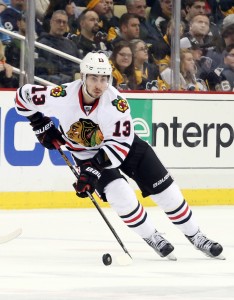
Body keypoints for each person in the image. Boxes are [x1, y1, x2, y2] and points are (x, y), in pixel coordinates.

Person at [15, 51, 224, 260]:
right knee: (120, 196)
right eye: (94, 78)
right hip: (85, 153)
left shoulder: (116, 104)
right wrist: (39, 123)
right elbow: (22, 96)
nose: (99, 85)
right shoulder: (61, 95)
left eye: (104, 79)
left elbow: (119, 147)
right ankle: (152, 236)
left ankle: (196, 236)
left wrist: (92, 170)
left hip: (127, 147)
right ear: (83, 76)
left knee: (167, 192)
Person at [35, 10, 80, 85]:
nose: (61, 25)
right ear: (51, 22)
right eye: (58, 21)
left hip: (73, 80)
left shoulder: (71, 44)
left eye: (64, 22)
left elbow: (80, 63)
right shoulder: (40, 44)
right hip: (53, 83)